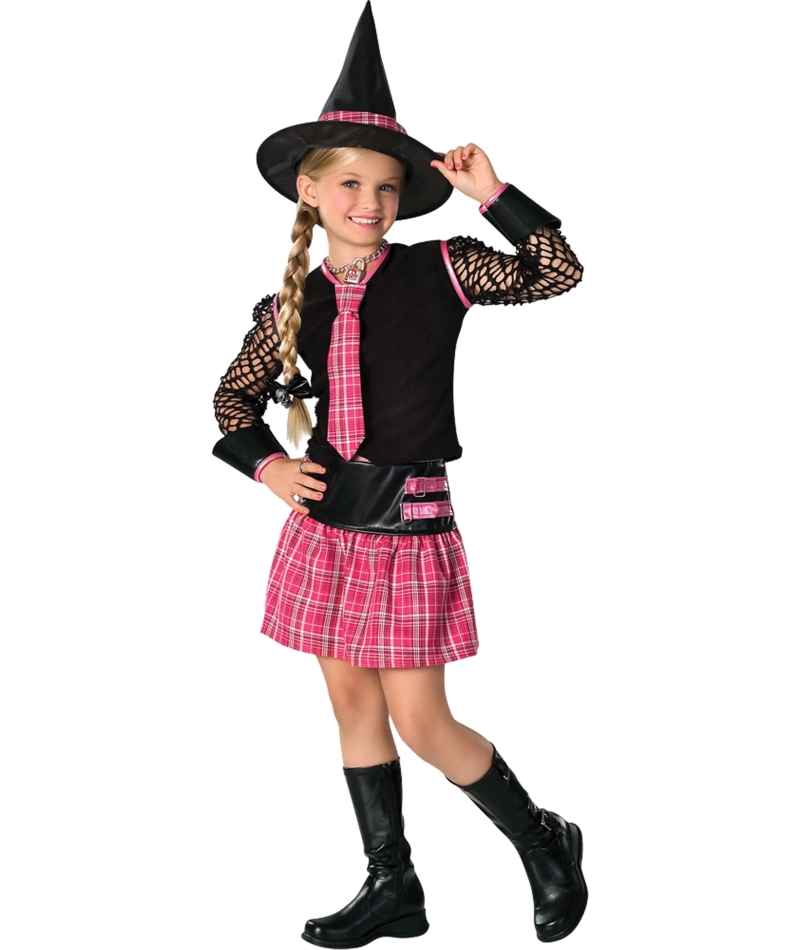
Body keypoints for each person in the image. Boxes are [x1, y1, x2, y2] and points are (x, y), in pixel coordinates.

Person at [213, 3, 586, 946]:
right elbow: (231, 401)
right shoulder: (288, 307)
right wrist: (268, 466)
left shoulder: (444, 270)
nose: (370, 202)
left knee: (421, 720)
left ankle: (544, 841)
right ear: (310, 190)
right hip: (325, 530)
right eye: (350, 183)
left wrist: (493, 196)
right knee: (350, 703)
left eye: (386, 186)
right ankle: (394, 884)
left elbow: (555, 271)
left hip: (410, 527)